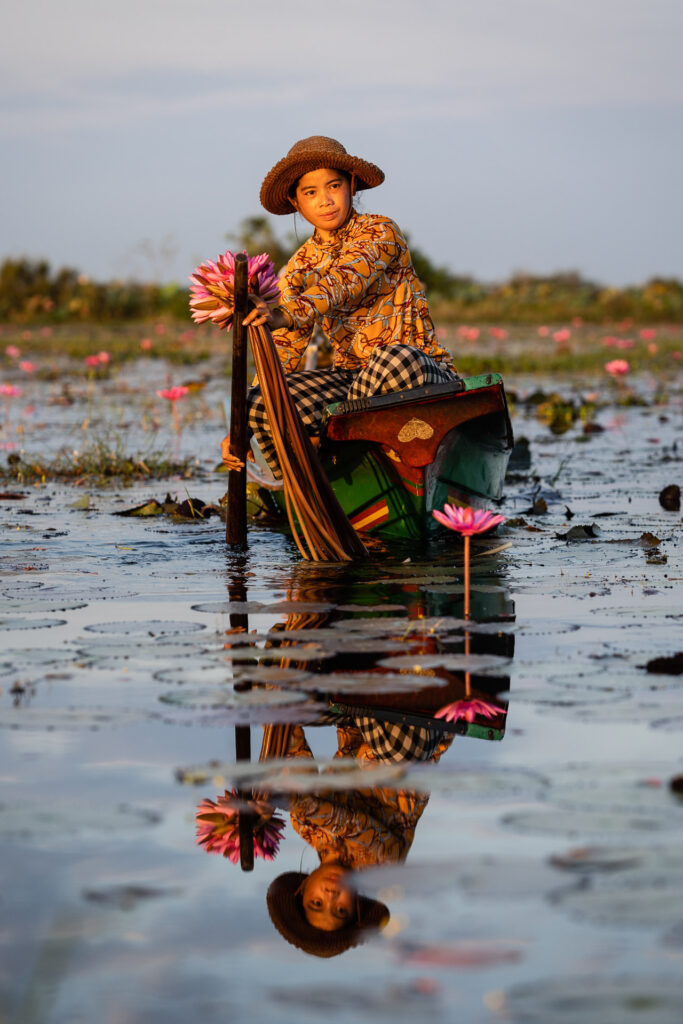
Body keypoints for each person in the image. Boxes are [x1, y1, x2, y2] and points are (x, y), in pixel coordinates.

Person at [221, 135, 459, 478]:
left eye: (334, 186)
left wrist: (285, 313)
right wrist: (241, 425)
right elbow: (284, 351)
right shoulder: (300, 265)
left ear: (351, 185)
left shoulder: (380, 231)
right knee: (258, 402)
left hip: (418, 374)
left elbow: (345, 280)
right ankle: (316, 482)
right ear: (295, 202)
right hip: (354, 382)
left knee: (392, 359)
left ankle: (335, 451)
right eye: (310, 192)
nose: (325, 200)